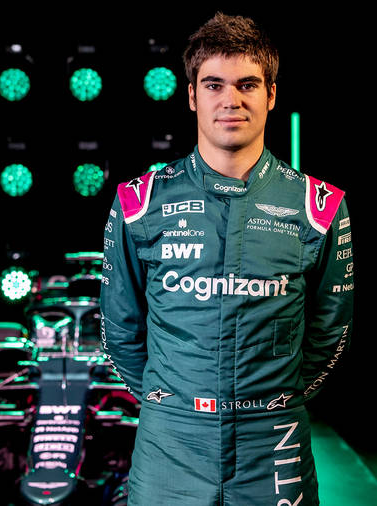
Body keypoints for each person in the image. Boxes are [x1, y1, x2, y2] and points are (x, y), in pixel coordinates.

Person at [99, 12, 354, 506]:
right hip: (169, 443)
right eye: (213, 84)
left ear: (271, 95)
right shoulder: (139, 201)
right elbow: (119, 328)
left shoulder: (320, 207)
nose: (230, 100)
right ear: (192, 95)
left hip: (274, 440)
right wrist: (173, 403)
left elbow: (330, 329)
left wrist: (272, 400)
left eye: (248, 84)